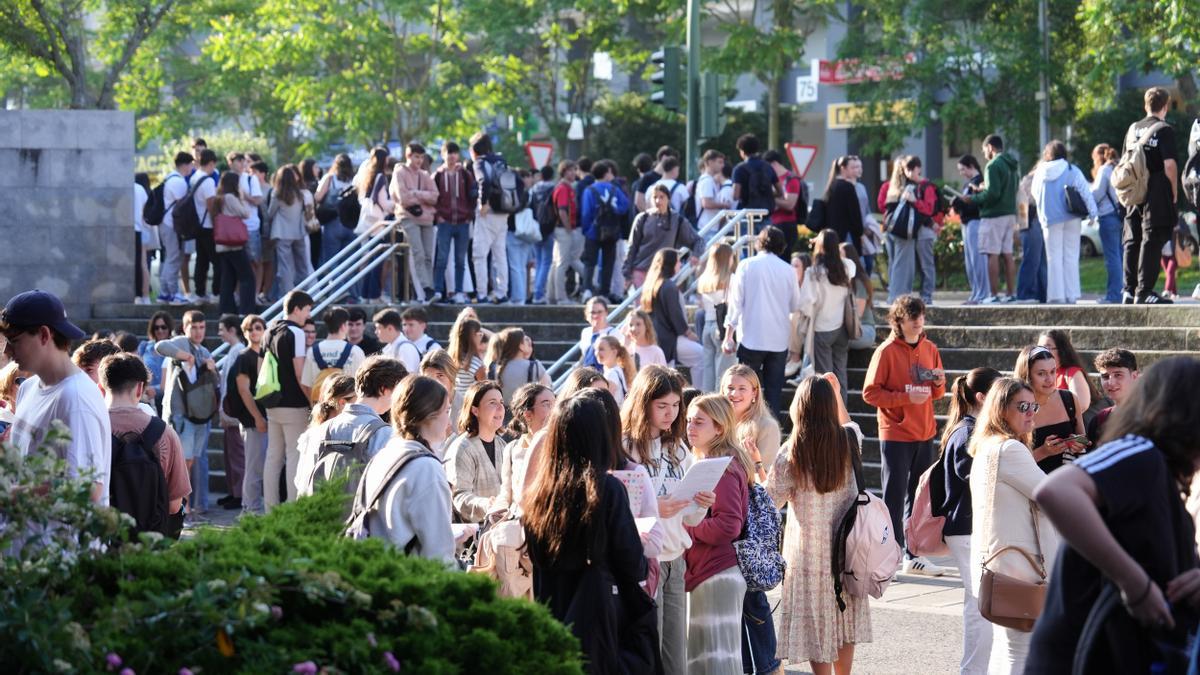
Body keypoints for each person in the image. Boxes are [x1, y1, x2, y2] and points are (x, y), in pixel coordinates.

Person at [1029, 357, 1200, 672]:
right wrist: (1135, 584)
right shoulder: (1141, 453)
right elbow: (1055, 491)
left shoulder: (1163, 477)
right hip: (1080, 656)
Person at [522, 389, 650, 673]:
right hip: (600, 625)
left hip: (553, 617)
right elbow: (634, 566)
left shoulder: (538, 496)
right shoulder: (607, 489)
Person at [766, 375, 869, 675]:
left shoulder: (792, 452)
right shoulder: (850, 441)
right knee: (843, 619)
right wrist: (836, 392)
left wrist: (757, 467)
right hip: (847, 549)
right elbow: (850, 424)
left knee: (816, 626)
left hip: (808, 554)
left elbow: (771, 500)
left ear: (800, 407)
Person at [620, 366, 713, 674]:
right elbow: (618, 510)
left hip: (676, 558)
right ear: (643, 403)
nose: (671, 413)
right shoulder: (625, 447)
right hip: (645, 559)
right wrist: (655, 507)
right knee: (648, 649)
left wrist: (701, 504)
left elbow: (688, 513)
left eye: (676, 405)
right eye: (662, 405)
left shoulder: (679, 448)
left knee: (676, 657)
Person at [968, 377, 1059, 675]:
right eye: (1023, 406)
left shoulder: (987, 448)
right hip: (1018, 568)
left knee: (1006, 649)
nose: (1031, 412)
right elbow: (1052, 495)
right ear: (1000, 409)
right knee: (1019, 652)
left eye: (1033, 405)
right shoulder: (1009, 450)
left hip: (998, 566)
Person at [862, 295, 947, 575]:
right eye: (913, 318)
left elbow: (938, 392)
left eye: (921, 317)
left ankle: (913, 554)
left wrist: (937, 381)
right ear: (899, 321)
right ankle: (890, 553)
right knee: (894, 496)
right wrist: (904, 397)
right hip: (896, 432)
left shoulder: (930, 347)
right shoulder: (886, 351)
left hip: (925, 431)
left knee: (919, 496)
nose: (919, 322)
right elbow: (870, 393)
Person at [1, 290, 111, 504]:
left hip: (62, 537)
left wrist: (10, 496)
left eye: (14, 340)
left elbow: (87, 488)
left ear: (44, 334)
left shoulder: (76, 398)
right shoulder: (28, 388)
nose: (8, 351)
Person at [934, 367, 1003, 674]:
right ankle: (973, 670)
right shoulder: (968, 432)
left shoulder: (967, 429)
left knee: (978, 603)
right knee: (981, 605)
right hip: (966, 527)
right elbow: (973, 475)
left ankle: (977, 669)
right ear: (982, 397)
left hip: (966, 526)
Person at [683, 394, 753, 674]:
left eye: (699, 422)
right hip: (713, 572)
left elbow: (728, 526)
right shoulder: (719, 462)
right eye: (688, 420)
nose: (690, 427)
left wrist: (685, 527)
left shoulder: (719, 467)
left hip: (715, 573)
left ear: (719, 428)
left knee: (714, 663)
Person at [355, 374, 456, 562]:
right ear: (428, 415)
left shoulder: (384, 455)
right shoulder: (427, 468)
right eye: (446, 411)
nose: (449, 422)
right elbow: (439, 553)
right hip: (409, 581)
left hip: (376, 573)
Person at [100, 352, 191, 534]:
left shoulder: (90, 428)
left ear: (101, 388)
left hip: (101, 539)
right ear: (140, 389)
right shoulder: (165, 433)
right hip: (150, 541)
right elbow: (174, 505)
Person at [295, 356, 406, 496]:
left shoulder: (321, 430)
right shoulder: (386, 435)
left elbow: (303, 485)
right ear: (384, 390)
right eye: (399, 392)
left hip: (323, 514)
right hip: (360, 517)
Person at [723, 226, 803, 417]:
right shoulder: (788, 270)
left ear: (759, 243)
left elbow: (735, 303)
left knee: (744, 390)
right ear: (782, 245)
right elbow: (795, 305)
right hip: (778, 339)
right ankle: (772, 435)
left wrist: (728, 335)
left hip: (751, 336)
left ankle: (744, 432)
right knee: (774, 392)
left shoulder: (746, 265)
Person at [155, 309, 217, 515]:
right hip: (181, 416)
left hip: (201, 416)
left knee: (189, 463)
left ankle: (183, 506)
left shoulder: (205, 352)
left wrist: (212, 369)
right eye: (194, 327)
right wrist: (184, 356)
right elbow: (160, 346)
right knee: (181, 462)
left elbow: (216, 384)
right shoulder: (182, 342)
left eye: (202, 327)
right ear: (185, 327)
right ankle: (181, 507)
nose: (198, 331)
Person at [1122, 87, 1179, 305]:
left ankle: (1128, 289)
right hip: (1156, 188)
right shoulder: (1164, 130)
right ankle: (1144, 291)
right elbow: (1170, 165)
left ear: (1146, 105)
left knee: (1132, 237)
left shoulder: (1133, 128)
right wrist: (1173, 192)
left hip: (1134, 188)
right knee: (1152, 238)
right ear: (1165, 106)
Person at [263, 291, 314, 509]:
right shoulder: (296, 332)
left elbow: (261, 368)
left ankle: (270, 510)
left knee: (273, 457)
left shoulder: (269, 330)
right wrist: (312, 401)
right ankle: (292, 510)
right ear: (297, 309)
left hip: (271, 401)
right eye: (307, 310)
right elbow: (299, 371)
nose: (308, 315)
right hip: (294, 404)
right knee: (295, 455)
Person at [1030, 140, 1098, 304]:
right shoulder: (1071, 169)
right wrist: (1093, 214)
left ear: (1048, 154)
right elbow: (1085, 192)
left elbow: (1034, 192)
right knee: (1071, 256)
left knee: (1053, 258)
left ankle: (1056, 295)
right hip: (1072, 217)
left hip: (1050, 219)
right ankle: (1071, 294)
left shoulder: (1040, 172)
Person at [796, 229, 854, 398]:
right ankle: (843, 414)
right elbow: (853, 267)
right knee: (840, 374)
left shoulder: (813, 272)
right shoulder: (846, 267)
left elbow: (806, 303)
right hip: (842, 327)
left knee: (825, 378)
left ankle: (829, 416)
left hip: (822, 328)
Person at [1014, 345, 1087, 474]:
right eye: (1041, 373)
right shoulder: (1017, 407)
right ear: (1027, 375)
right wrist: (1043, 452)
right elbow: (1012, 463)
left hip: (1067, 482)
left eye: (1053, 371)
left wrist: (1078, 443)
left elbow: (1084, 439)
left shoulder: (1069, 398)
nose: (1049, 379)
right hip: (1033, 486)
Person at [964, 134, 1020, 303]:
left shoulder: (992, 165)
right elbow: (1003, 189)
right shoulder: (1011, 164)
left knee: (992, 254)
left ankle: (993, 295)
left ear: (990, 147)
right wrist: (984, 188)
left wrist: (972, 198)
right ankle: (1011, 294)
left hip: (993, 215)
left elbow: (993, 194)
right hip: (1009, 213)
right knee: (1008, 254)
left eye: (984, 150)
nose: (984, 154)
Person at [444, 380, 508, 523]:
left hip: (500, 530)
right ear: (475, 410)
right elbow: (459, 497)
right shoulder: (462, 448)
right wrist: (487, 505)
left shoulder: (503, 445)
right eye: (492, 402)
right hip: (473, 536)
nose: (500, 408)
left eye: (501, 402)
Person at [878, 155, 938, 304]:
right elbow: (926, 210)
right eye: (916, 171)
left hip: (892, 229)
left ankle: (894, 296)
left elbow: (882, 205)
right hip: (905, 232)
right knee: (904, 267)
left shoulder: (892, 186)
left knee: (895, 264)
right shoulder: (911, 188)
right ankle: (898, 299)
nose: (919, 174)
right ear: (907, 170)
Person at [624, 184, 702, 289]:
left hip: (666, 273)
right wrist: (627, 273)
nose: (658, 201)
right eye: (655, 197)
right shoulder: (642, 219)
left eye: (661, 197)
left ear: (668, 199)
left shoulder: (677, 220)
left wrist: (696, 255)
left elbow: (698, 240)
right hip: (642, 270)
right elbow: (632, 247)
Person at [641, 249, 702, 375]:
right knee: (701, 356)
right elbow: (675, 315)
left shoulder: (651, 284)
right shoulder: (668, 286)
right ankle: (699, 393)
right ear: (670, 264)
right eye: (678, 261)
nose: (680, 264)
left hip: (657, 337)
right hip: (670, 340)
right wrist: (689, 333)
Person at [230, 314, 269, 515]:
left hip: (266, 417)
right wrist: (257, 418)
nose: (254, 332)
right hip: (253, 420)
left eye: (258, 328)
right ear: (244, 333)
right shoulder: (244, 357)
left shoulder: (266, 354)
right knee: (254, 467)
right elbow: (244, 390)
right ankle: (250, 508)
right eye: (250, 329)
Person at [496, 382, 554, 516]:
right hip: (521, 525)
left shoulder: (563, 446)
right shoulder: (512, 449)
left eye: (555, 403)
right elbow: (506, 493)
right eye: (546, 404)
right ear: (528, 415)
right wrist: (496, 510)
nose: (554, 409)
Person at [391, 142, 440, 301]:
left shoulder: (424, 175)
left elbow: (435, 196)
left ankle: (430, 289)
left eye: (421, 157)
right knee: (418, 254)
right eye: (416, 156)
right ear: (408, 156)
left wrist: (416, 193)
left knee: (428, 256)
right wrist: (423, 197)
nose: (419, 160)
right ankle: (427, 290)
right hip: (408, 217)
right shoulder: (400, 172)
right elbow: (403, 198)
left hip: (426, 219)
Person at [580, 160, 631, 303]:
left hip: (593, 231)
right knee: (609, 262)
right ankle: (605, 292)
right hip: (612, 231)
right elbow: (625, 206)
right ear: (606, 173)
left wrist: (586, 229)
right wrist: (614, 212)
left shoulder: (589, 190)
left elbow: (585, 212)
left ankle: (588, 289)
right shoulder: (615, 189)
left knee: (590, 262)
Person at [469, 132, 512, 304]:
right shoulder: (501, 160)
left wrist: (483, 202)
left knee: (479, 255)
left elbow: (483, 181)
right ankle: (502, 292)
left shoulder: (480, 162)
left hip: (488, 213)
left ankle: (481, 293)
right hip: (503, 211)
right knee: (500, 254)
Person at [433, 142, 478, 304]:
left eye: (454, 153)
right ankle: (438, 290)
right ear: (442, 155)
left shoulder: (465, 174)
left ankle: (459, 291)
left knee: (460, 259)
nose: (451, 156)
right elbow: (433, 197)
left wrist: (469, 215)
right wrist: (438, 216)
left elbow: (473, 195)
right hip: (444, 222)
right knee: (442, 258)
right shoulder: (437, 175)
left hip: (462, 222)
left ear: (458, 155)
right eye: (448, 153)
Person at [721, 363, 782, 481]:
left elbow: (768, 481)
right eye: (730, 388)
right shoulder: (716, 423)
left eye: (742, 388)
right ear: (723, 391)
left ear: (754, 392)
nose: (734, 394)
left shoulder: (767, 427)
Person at [208, 170, 257, 314]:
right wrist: (241, 196)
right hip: (234, 244)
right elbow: (245, 213)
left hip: (222, 245)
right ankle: (246, 309)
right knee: (247, 277)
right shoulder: (230, 198)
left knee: (228, 279)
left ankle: (226, 309)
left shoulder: (218, 198)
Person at [300, 306, 366, 402]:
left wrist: (316, 405)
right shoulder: (355, 351)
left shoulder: (312, 351)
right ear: (343, 326)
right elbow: (362, 384)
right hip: (347, 409)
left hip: (321, 409)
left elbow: (306, 384)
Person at [694, 243, 736, 393]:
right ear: (727, 258)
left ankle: (707, 405)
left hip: (707, 325)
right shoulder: (730, 279)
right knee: (723, 374)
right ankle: (719, 408)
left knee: (708, 373)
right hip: (723, 329)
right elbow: (734, 306)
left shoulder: (704, 279)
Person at [268, 164, 315, 294]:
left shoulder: (277, 194)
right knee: (302, 265)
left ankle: (287, 295)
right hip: (299, 232)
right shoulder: (301, 194)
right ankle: (304, 292)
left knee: (285, 267)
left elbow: (270, 213)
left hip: (282, 233)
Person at [215, 315, 246, 510]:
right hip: (227, 407)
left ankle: (240, 494)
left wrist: (228, 410)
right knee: (229, 454)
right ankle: (233, 492)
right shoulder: (233, 351)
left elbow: (233, 384)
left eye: (222, 329)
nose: (219, 333)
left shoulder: (238, 351)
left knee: (237, 454)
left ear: (232, 330)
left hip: (232, 408)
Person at [157, 152, 194, 305]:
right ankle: (172, 293)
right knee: (173, 259)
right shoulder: (179, 182)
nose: (192, 167)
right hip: (172, 225)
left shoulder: (169, 178)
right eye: (191, 164)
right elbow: (182, 207)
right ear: (185, 165)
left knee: (169, 258)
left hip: (165, 224)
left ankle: (164, 293)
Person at [954, 154, 991, 304]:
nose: (961, 173)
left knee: (978, 260)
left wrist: (964, 203)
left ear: (971, 166)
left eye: (963, 169)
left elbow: (978, 203)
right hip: (966, 223)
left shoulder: (980, 182)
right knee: (970, 261)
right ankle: (976, 292)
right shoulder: (966, 185)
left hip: (976, 221)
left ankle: (983, 293)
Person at [1037, 329, 1099, 416]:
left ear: (1061, 350)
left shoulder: (1071, 373)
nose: (1041, 352)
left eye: (1047, 348)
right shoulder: (1037, 373)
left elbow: (1081, 405)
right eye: (1039, 348)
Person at [1090, 144, 1124, 303]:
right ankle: (1124, 293)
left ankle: (1114, 295)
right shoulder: (1119, 166)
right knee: (1121, 256)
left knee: (1112, 258)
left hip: (1108, 216)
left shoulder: (1104, 170)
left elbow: (1096, 194)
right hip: (1122, 216)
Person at [549, 160, 585, 305]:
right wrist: (569, 227)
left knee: (556, 263)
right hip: (563, 229)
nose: (573, 173)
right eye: (570, 170)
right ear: (564, 171)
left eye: (574, 170)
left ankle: (551, 296)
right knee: (562, 263)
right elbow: (562, 210)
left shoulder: (564, 187)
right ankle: (561, 297)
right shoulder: (564, 188)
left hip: (561, 229)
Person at [1086, 348, 1138, 444]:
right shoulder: (1099, 420)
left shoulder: (1151, 417)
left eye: (1118, 375)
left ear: (1134, 376)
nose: (1111, 383)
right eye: (1105, 376)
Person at [189, 149, 221, 303]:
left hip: (197, 225)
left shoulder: (194, 177)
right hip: (208, 226)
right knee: (217, 261)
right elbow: (211, 205)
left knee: (201, 260)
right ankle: (216, 292)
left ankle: (200, 292)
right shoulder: (208, 181)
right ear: (211, 163)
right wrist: (218, 224)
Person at [313, 153, 355, 268]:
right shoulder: (354, 180)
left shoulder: (330, 178)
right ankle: (349, 286)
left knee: (331, 263)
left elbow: (318, 197)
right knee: (348, 265)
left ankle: (335, 286)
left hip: (333, 222)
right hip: (351, 223)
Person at [489, 327, 551, 404]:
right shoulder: (535, 366)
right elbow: (548, 391)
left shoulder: (493, 367)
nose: (529, 341)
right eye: (525, 340)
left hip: (499, 414)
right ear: (520, 346)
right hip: (525, 414)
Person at [731, 134, 782, 223]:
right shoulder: (768, 167)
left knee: (746, 237)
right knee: (765, 237)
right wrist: (765, 194)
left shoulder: (739, 169)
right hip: (766, 216)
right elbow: (780, 192)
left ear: (742, 151)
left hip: (747, 216)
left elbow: (735, 196)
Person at [765, 149, 804, 256]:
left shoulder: (791, 179)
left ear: (774, 164)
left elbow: (790, 205)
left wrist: (771, 199)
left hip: (786, 225)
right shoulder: (772, 180)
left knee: (784, 257)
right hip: (772, 223)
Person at [822, 155, 865, 249]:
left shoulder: (831, 185)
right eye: (852, 167)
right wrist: (860, 233)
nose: (854, 170)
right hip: (847, 234)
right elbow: (855, 214)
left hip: (832, 235)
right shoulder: (848, 187)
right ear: (843, 168)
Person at [529, 165, 558, 304]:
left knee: (539, 261)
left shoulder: (534, 189)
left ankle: (536, 292)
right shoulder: (554, 188)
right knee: (546, 262)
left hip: (535, 228)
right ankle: (539, 293)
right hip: (549, 228)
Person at [840, 242, 877, 351]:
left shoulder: (859, 282)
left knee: (835, 337)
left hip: (864, 330)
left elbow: (857, 315)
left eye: (840, 255)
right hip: (849, 329)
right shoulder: (840, 281)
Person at [419, 349, 463, 434]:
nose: (435, 382)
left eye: (440, 375)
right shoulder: (419, 406)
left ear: (451, 376)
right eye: (429, 377)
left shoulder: (464, 407)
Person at [448, 317, 487, 398]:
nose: (481, 337)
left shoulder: (450, 359)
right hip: (468, 405)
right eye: (480, 334)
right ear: (473, 337)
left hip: (454, 403)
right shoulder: (477, 364)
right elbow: (486, 389)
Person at [594, 335, 636, 407]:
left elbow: (606, 402)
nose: (597, 353)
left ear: (614, 352)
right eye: (596, 349)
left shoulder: (611, 374)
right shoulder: (617, 369)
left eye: (601, 349)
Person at [695, 150, 732, 231]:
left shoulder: (709, 180)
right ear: (710, 162)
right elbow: (706, 203)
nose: (722, 166)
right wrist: (724, 205)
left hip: (709, 226)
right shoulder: (707, 181)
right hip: (708, 227)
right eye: (720, 162)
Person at [577, 296, 617, 369]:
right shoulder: (585, 332)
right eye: (592, 312)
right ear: (586, 315)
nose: (596, 315)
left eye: (599, 312)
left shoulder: (614, 333)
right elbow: (584, 356)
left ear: (606, 313)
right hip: (588, 375)